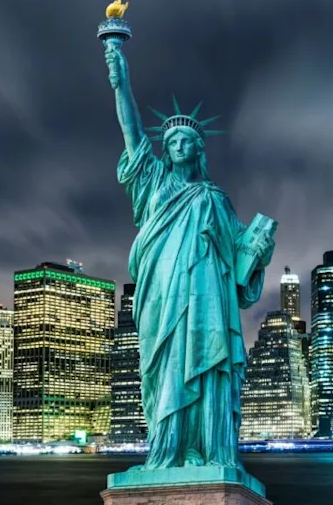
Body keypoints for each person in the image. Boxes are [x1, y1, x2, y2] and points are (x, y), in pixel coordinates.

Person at [104, 41, 275, 470]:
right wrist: (119, 77)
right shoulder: (153, 182)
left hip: (208, 301)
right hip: (161, 294)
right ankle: (168, 449)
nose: (179, 145)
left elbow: (241, 266)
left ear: (200, 150)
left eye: (188, 141)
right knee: (164, 368)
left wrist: (259, 248)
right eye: (173, 140)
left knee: (207, 364)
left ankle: (204, 447)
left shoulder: (217, 199)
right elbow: (131, 130)